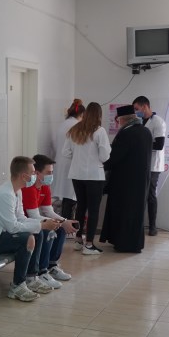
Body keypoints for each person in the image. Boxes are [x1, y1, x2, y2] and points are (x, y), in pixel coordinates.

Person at [0, 156, 62, 302]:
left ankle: (31, 278)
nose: (35, 175)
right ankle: (17, 286)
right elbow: (12, 227)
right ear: (24, 176)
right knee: (27, 238)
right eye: (33, 172)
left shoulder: (16, 191)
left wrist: (44, 222)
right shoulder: (5, 194)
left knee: (39, 234)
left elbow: (21, 218)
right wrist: (42, 225)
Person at [99, 106, 153, 253]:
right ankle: (134, 243)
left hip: (125, 181)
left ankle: (124, 243)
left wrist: (103, 163)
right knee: (136, 212)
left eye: (118, 120)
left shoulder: (127, 133)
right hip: (141, 180)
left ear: (123, 119)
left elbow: (115, 157)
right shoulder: (146, 131)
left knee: (124, 211)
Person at [21, 154, 79, 284]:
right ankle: (41, 271)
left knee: (60, 229)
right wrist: (61, 222)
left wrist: (64, 221)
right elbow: (33, 216)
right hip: (24, 223)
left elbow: (48, 211)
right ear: (37, 173)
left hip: (33, 222)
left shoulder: (45, 186)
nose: (51, 175)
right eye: (48, 172)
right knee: (48, 230)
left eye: (52, 172)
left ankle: (52, 266)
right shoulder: (29, 188)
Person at [63, 102, 112, 255]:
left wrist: (79, 157)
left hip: (76, 175)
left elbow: (66, 152)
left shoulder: (74, 130)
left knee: (81, 207)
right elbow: (105, 157)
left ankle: (78, 240)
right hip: (94, 176)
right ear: (99, 115)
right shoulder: (99, 131)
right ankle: (89, 245)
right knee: (93, 209)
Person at [133, 96, 167, 236]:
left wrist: (141, 145)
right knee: (140, 195)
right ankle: (138, 224)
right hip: (140, 163)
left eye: (137, 108)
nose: (135, 111)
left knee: (150, 195)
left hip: (153, 165)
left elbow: (159, 145)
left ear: (145, 106)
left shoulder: (158, 122)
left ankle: (153, 226)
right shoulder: (138, 121)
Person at [51, 99, 85, 220]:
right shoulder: (77, 126)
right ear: (82, 114)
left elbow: (56, 145)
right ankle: (67, 224)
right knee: (70, 196)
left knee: (65, 195)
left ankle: (63, 222)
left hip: (60, 162)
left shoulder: (62, 124)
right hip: (71, 164)